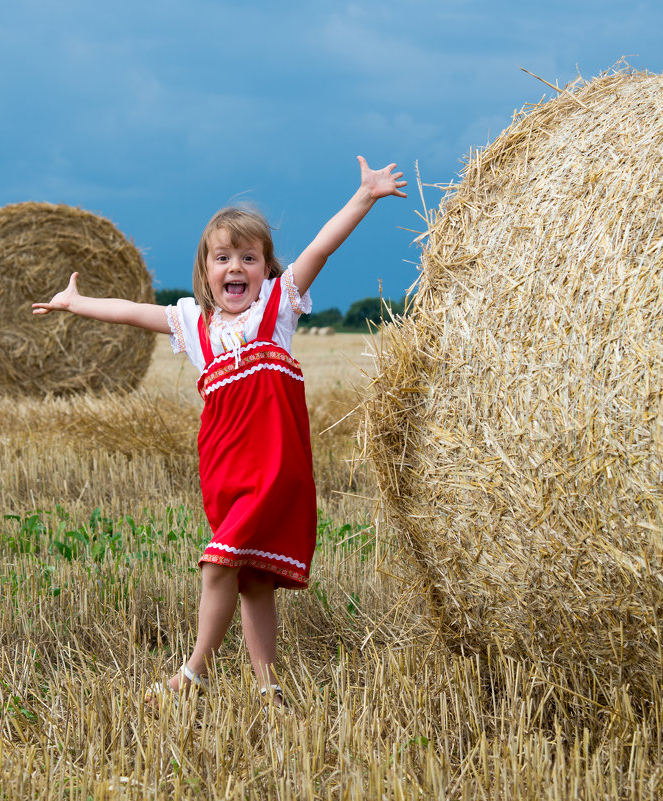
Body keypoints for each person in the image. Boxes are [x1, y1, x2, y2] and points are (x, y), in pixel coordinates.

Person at [32, 156, 407, 707]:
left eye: (249, 258)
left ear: (266, 268)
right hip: (225, 466)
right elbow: (133, 312)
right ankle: (269, 687)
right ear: (206, 271)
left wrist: (364, 198)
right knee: (252, 578)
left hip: (274, 465)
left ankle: (193, 672)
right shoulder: (195, 325)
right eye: (223, 258)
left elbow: (321, 249)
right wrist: (76, 303)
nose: (236, 267)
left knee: (217, 562)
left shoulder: (276, 310)